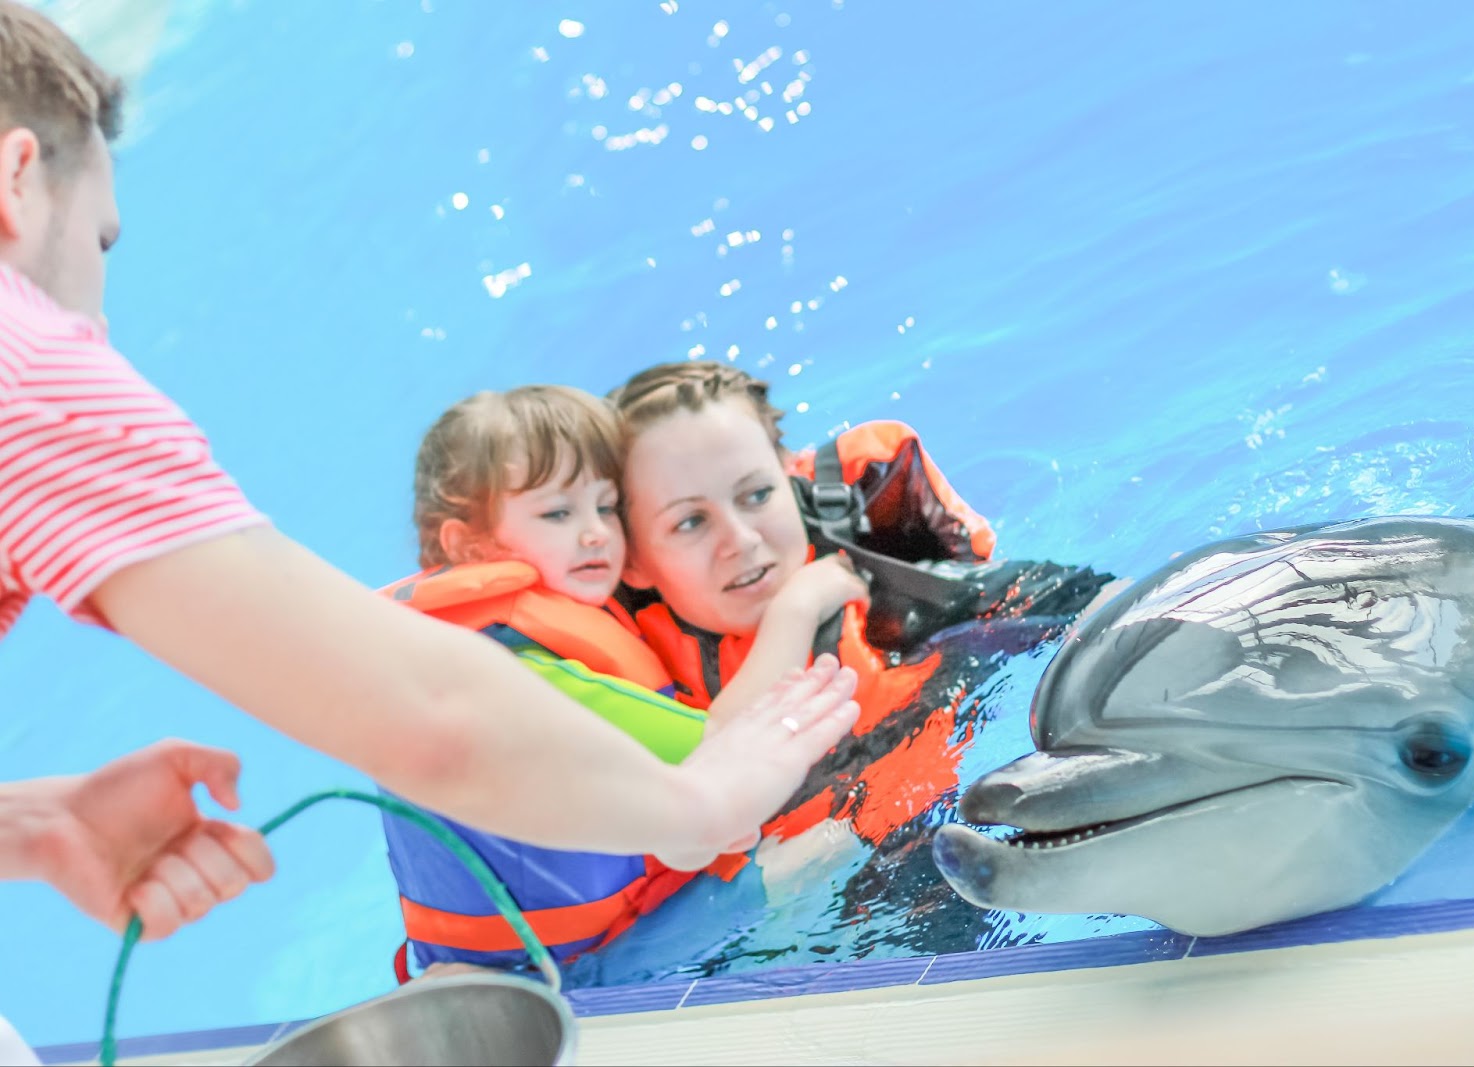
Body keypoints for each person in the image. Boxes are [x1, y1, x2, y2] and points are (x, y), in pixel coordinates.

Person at [0, 4, 859, 1053]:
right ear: (16, 180)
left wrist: (28, 825)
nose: (95, 319)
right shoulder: (28, 364)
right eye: (98, 241)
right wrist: (705, 800)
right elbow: (427, 714)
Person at [378, 384, 866, 976]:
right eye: (559, 513)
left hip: (548, 954)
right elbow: (721, 745)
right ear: (468, 546)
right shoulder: (517, 668)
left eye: (605, 508)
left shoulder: (493, 643)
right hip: (575, 975)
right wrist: (799, 604)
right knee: (828, 846)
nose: (595, 534)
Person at [610, 360, 1121, 847]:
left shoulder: (879, 580)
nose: (740, 539)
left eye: (757, 495)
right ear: (631, 560)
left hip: (951, 818)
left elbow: (1085, 600)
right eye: (690, 523)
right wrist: (795, 613)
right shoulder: (618, 687)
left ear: (789, 479)